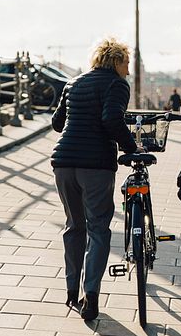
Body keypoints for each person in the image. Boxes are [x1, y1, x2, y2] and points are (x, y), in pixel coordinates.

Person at [50, 39, 144, 321]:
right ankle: (90, 295)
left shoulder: (74, 83)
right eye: (126, 64)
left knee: (74, 226)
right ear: (116, 62)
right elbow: (111, 120)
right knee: (99, 229)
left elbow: (57, 123)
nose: (128, 71)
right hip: (95, 166)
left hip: (64, 162)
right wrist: (132, 148)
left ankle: (70, 291)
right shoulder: (116, 84)